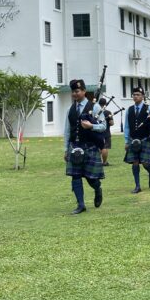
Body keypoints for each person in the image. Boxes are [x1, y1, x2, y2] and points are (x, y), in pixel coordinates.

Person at [64, 79, 106, 214]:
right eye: (73, 92)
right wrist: (66, 149)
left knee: (90, 177)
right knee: (75, 176)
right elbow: (67, 131)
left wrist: (91, 126)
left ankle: (97, 188)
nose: (74, 94)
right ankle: (81, 205)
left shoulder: (95, 107)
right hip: (75, 146)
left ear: (84, 91)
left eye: (77, 91)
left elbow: (104, 126)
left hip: (90, 146)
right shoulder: (70, 109)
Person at [124, 87, 150, 194]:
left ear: (143, 96)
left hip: (145, 139)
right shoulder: (129, 110)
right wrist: (126, 141)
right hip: (133, 140)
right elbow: (127, 126)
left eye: (138, 94)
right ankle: (137, 186)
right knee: (135, 162)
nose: (135, 96)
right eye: (134, 94)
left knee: (144, 163)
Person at [98, 98, 114, 166]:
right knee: (105, 147)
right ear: (105, 104)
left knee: (98, 147)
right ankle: (104, 162)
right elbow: (111, 123)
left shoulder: (97, 111)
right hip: (106, 132)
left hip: (97, 132)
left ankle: (97, 161)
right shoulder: (108, 112)